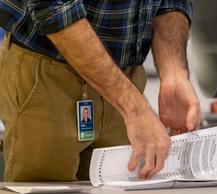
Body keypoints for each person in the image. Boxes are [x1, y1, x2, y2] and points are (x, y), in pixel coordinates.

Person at [0, 0, 200, 181]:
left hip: (127, 78)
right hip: (48, 74)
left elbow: (172, 3)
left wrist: (174, 73)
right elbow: (53, 9)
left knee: (120, 190)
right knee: (46, 191)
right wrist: (136, 110)